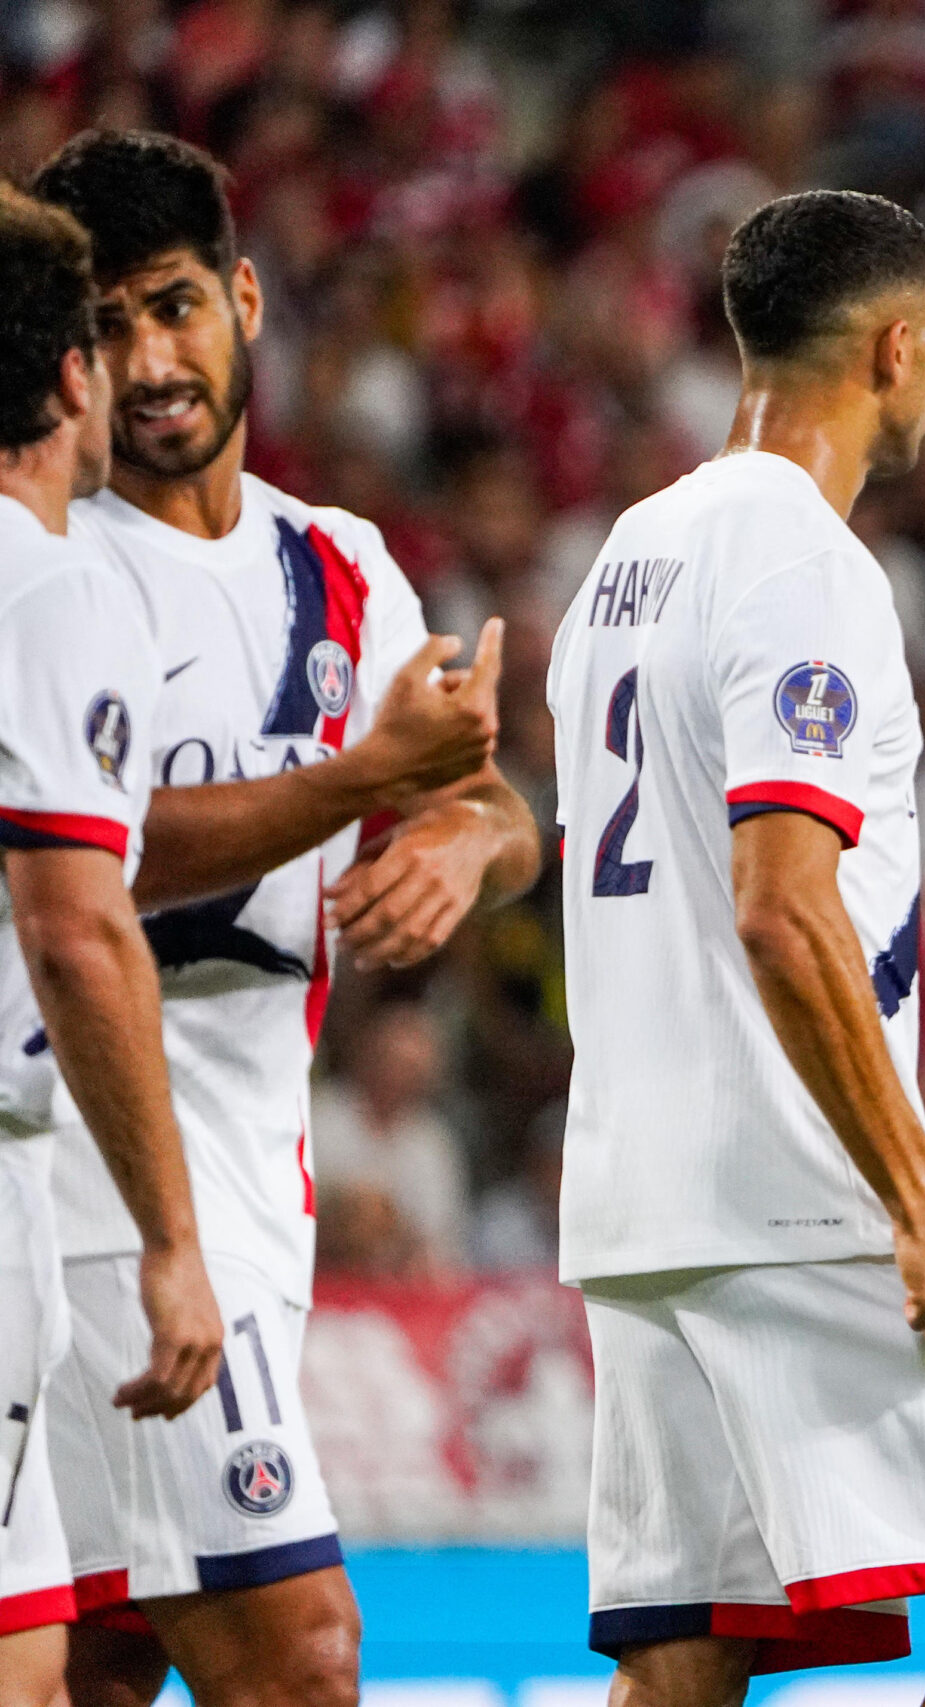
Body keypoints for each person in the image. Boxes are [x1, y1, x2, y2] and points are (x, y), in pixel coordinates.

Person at [547, 190, 925, 1705]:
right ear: (899, 347)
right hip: (799, 1190)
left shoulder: (623, 560)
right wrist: (922, 1207)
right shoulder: (809, 566)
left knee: (687, 1657)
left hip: (637, 1199)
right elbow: (782, 904)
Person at [28, 130, 539, 1707]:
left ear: (243, 297)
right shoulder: (50, 562)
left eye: (174, 307)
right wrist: (359, 784)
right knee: (299, 1654)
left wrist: (460, 845)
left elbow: (488, 800)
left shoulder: (345, 567)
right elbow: (86, 865)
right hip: (96, 1173)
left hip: (254, 1174)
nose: (148, 362)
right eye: (105, 328)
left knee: (107, 1663)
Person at [0, 182, 221, 1707]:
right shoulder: (51, 583)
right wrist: (170, 1241)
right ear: (73, 373)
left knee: (29, 1639)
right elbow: (78, 932)